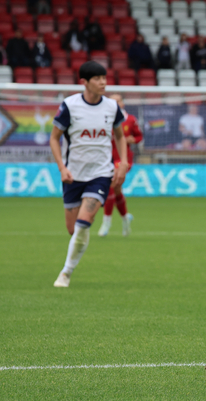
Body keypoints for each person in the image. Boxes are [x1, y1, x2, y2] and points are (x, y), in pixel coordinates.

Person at [50, 61, 127, 288]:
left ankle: (65, 273)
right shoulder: (69, 106)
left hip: (101, 173)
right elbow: (54, 138)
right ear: (84, 82)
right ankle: (72, 259)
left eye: (104, 77)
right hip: (73, 175)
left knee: (84, 224)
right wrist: (62, 169)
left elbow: (120, 136)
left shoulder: (112, 107)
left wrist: (121, 163)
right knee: (73, 230)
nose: (103, 82)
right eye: (97, 78)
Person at [98, 94, 143, 237]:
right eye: (112, 101)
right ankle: (125, 219)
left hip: (123, 159)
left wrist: (132, 139)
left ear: (123, 103)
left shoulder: (130, 120)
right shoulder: (102, 119)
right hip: (106, 159)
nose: (115, 104)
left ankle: (106, 222)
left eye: (118, 101)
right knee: (116, 189)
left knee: (111, 183)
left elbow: (139, 136)